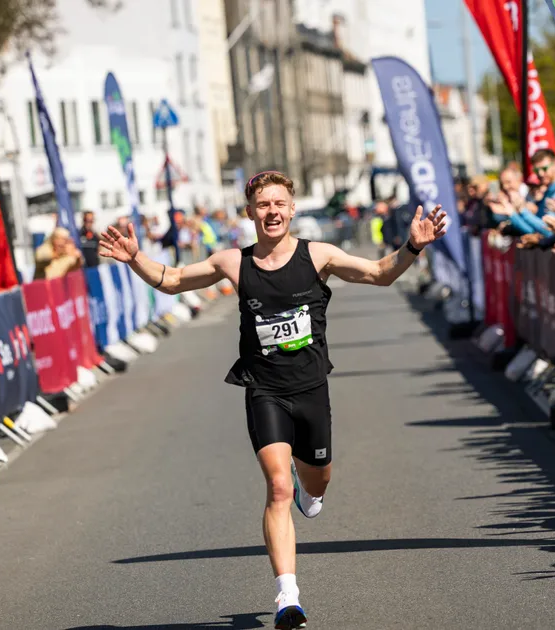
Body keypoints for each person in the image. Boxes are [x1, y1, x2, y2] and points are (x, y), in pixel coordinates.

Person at [96, 171, 447, 630]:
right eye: (263, 205)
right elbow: (174, 279)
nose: (273, 212)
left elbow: (380, 274)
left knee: (315, 484)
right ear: (250, 213)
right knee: (278, 488)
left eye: (280, 203)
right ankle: (288, 596)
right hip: (264, 390)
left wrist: (414, 247)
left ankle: (311, 488)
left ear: (292, 209)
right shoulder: (232, 263)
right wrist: (135, 258)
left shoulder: (318, 256)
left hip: (312, 390)